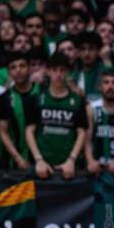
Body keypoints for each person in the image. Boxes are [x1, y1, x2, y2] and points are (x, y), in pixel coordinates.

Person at [25, 52, 88, 180]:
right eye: (54, 70)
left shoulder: (77, 101)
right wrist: (38, 160)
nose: (58, 75)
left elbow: (82, 132)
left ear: (68, 72)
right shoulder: (36, 99)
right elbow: (29, 130)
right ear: (48, 71)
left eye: (62, 70)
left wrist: (72, 160)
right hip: (42, 164)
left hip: (68, 166)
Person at [85, 69, 114, 176]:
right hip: (97, 167)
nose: (110, 87)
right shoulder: (91, 108)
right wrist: (90, 161)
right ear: (100, 86)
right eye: (106, 82)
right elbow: (87, 140)